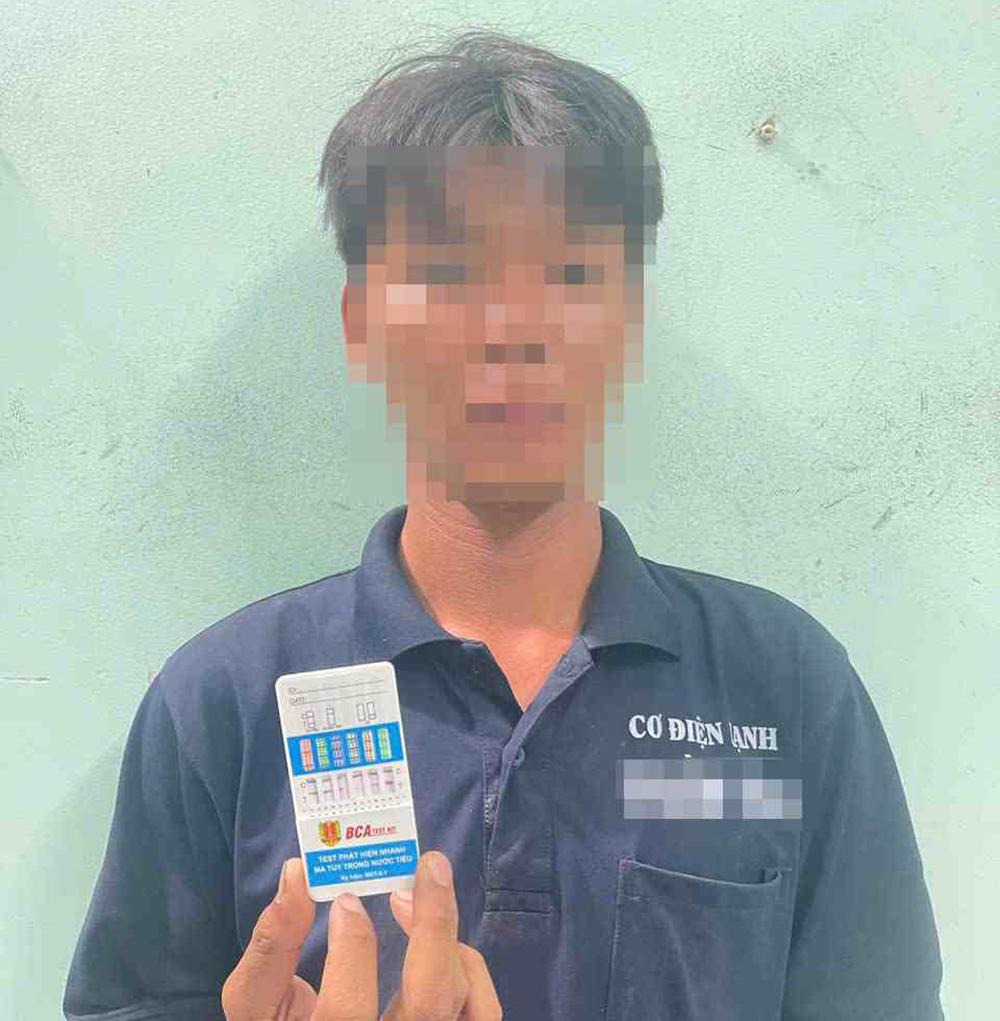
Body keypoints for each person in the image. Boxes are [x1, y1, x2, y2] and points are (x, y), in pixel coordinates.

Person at [64, 29, 945, 1021]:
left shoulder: (783, 688)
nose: (513, 327)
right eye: (449, 274)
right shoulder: (226, 701)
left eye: (568, 273)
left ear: (629, 320)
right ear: (360, 324)